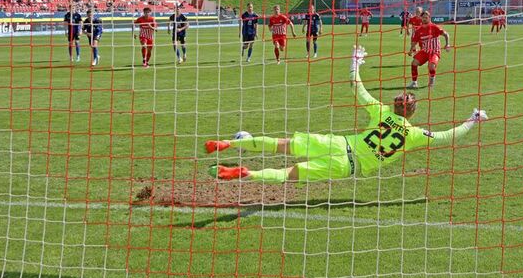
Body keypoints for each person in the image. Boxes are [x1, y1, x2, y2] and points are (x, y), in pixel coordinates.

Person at [205, 46, 488, 182]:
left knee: (284, 144)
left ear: (394, 105)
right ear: (412, 113)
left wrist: (355, 61)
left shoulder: (380, 111)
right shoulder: (414, 135)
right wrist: (472, 119)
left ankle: (231, 143)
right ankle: (248, 173)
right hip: (349, 166)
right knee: (290, 174)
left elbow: (357, 88)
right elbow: (447, 136)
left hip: (340, 143)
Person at [409, 11, 450, 88]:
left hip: (435, 51)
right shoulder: (419, 30)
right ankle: (414, 83)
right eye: (423, 17)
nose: (424, 19)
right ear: (421, 18)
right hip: (424, 51)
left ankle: (431, 81)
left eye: (426, 18)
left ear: (429, 18)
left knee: (431, 66)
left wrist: (447, 44)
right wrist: (411, 50)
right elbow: (414, 42)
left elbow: (446, 34)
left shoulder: (434, 27)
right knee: (414, 63)